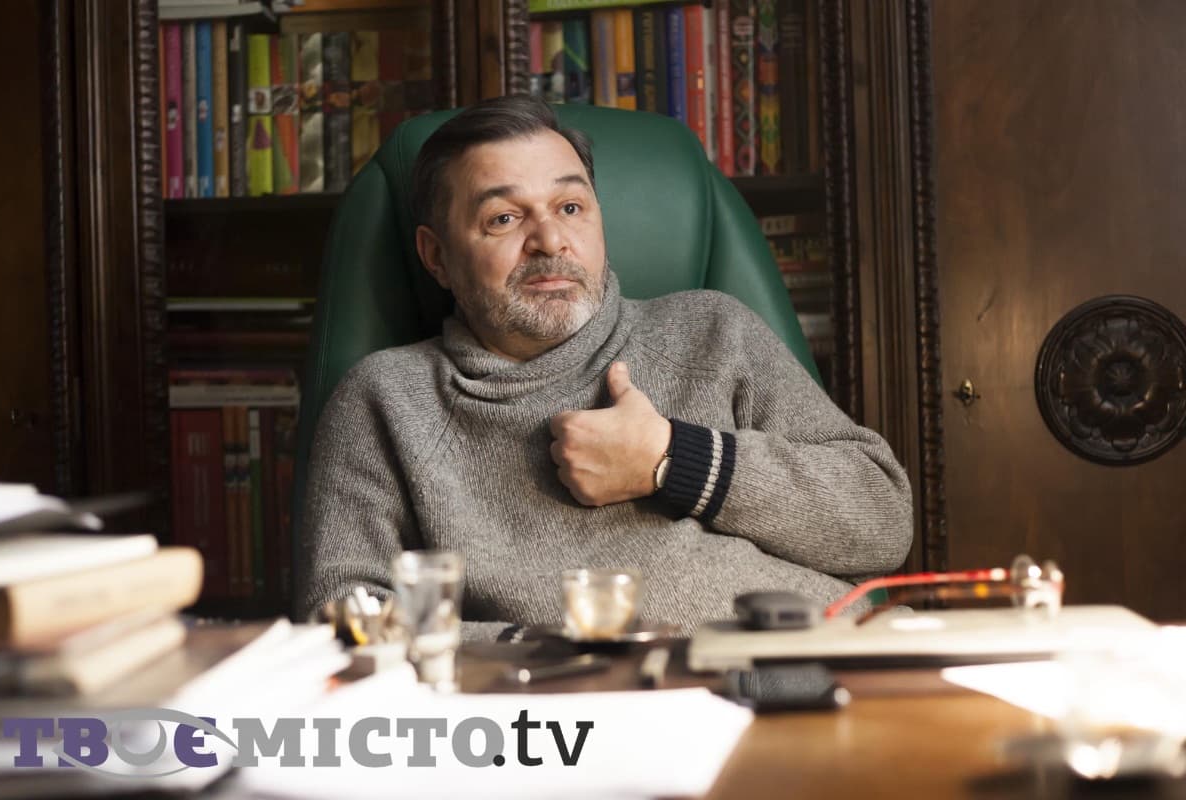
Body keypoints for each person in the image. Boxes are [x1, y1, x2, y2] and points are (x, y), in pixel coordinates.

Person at [300, 95, 913, 639]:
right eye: (504, 218)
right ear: (436, 256)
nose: (551, 241)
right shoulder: (388, 400)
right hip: (586, 703)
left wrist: (675, 459)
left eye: (570, 207)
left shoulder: (712, 330)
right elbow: (344, 615)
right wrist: (550, 651)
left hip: (822, 663)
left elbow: (883, 524)